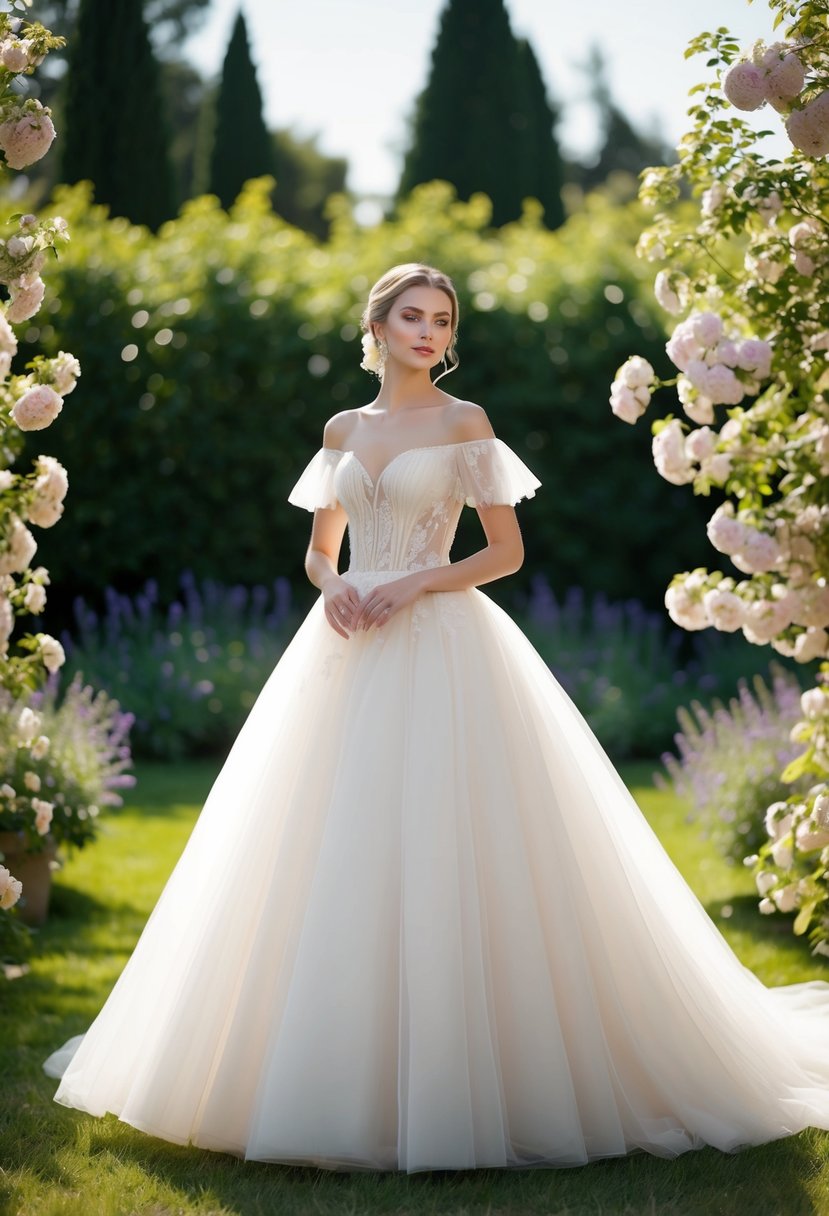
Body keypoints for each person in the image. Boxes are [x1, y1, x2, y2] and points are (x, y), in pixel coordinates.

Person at [44, 262, 829, 1174]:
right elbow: (317, 548)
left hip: (442, 636)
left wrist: (415, 580)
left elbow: (504, 550)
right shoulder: (342, 428)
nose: (428, 332)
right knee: (324, 844)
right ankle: (316, 1070)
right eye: (411, 316)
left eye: (441, 320)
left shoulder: (466, 425)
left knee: (456, 838)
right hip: (344, 644)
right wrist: (335, 587)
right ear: (375, 326)